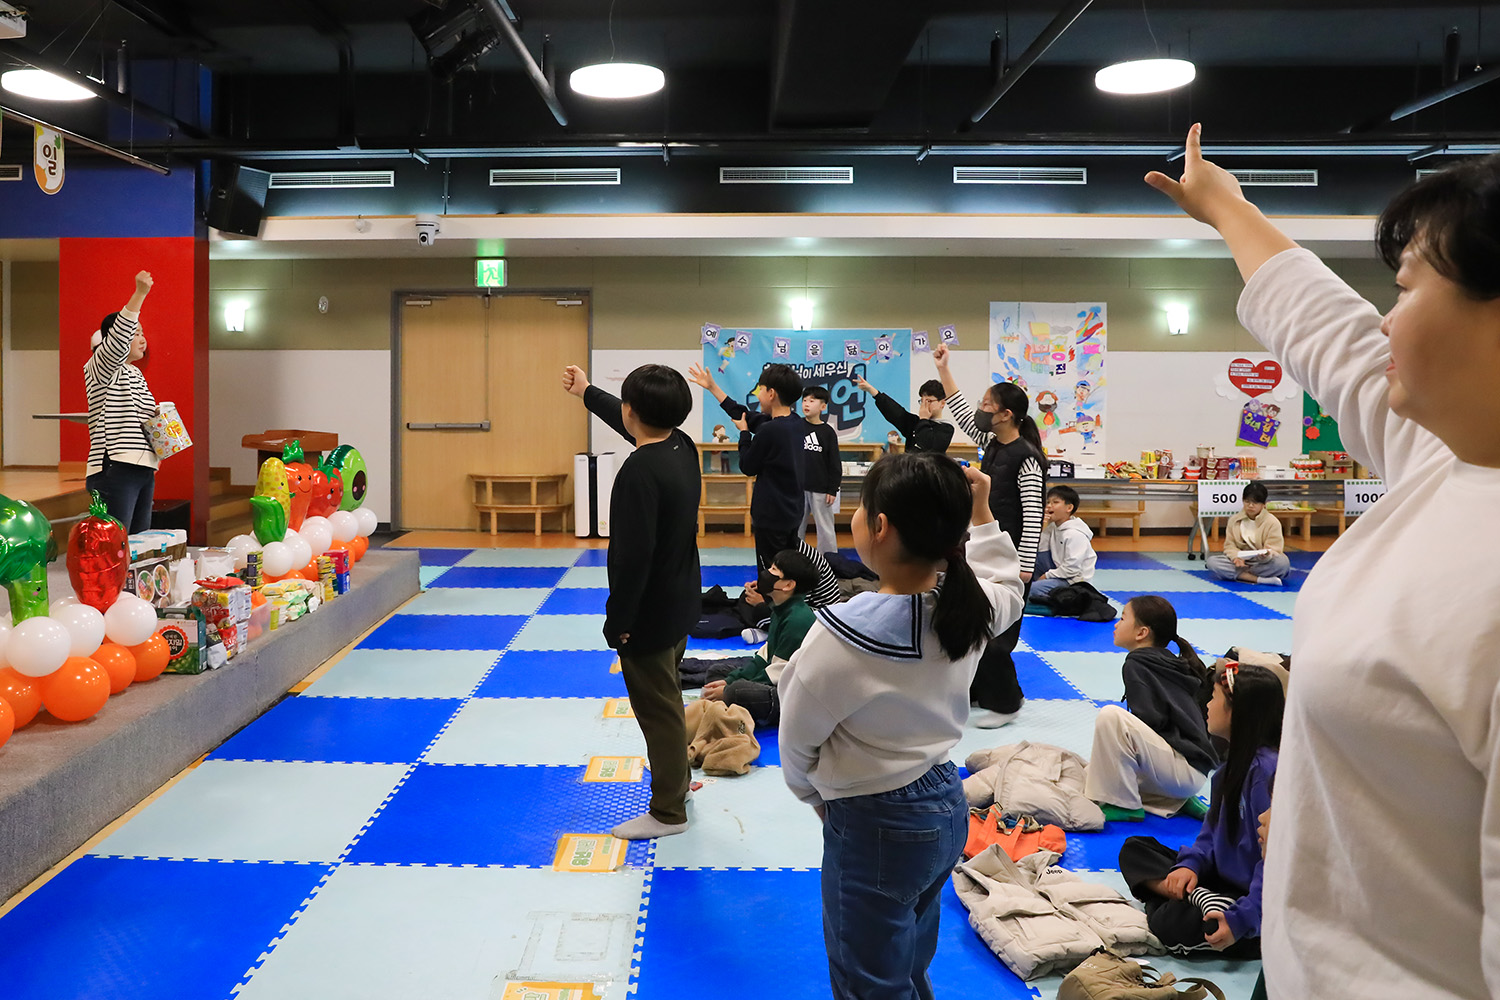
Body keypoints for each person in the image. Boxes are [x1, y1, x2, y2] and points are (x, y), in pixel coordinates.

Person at [1146, 122, 1500, 997]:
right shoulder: (1450, 457)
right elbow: (1332, 336)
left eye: (1406, 286)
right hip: (1302, 960)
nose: (1385, 316)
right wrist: (1227, 210)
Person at [778, 453, 1025, 1000]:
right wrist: (983, 513)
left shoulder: (841, 636)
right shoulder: (968, 609)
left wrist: (813, 795)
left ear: (881, 526)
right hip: (946, 803)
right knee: (909, 956)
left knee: (868, 979)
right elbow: (1008, 585)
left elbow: (796, 738)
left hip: (873, 820)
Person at [562, 363, 700, 841]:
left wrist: (617, 621)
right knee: (669, 702)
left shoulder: (638, 472)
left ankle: (668, 812)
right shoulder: (682, 446)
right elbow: (635, 426)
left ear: (631, 411)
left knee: (659, 714)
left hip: (649, 617)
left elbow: (631, 559)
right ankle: (678, 785)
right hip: (680, 604)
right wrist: (587, 392)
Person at [1118, 662, 1282, 959]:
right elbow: (1209, 835)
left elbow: (1272, 865)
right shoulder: (1227, 771)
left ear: (1237, 712)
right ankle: (1196, 897)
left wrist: (1243, 917)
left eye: (1214, 697)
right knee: (1135, 849)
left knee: (1171, 926)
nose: (1207, 705)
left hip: (1254, 897)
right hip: (1219, 880)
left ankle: (1197, 903)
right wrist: (1190, 866)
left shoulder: (1267, 775)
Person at [932, 344, 1046, 728]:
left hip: (1011, 556)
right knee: (975, 621)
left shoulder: (1027, 457)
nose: (981, 411)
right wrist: (944, 369)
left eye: (987, 405)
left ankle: (1006, 703)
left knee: (1000, 632)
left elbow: (1033, 513)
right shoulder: (992, 444)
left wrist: (1026, 564)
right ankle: (979, 690)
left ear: (1006, 414)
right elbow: (964, 415)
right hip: (984, 547)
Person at [1086, 596, 1217, 822]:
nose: (1116, 624)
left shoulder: (1136, 663)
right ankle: (1175, 800)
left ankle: (1125, 805)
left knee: (1111, 716)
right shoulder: (1168, 659)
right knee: (1094, 771)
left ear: (1142, 633)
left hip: (1182, 770)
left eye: (1123, 618)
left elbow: (1151, 721)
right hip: (1192, 772)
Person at [688, 362, 806, 570]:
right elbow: (741, 413)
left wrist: (744, 434)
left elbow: (747, 466)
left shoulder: (769, 430)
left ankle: (768, 591)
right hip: (792, 511)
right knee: (786, 567)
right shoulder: (795, 423)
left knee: (770, 569)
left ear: (771, 393)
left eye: (761, 389)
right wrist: (713, 388)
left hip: (771, 514)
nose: (758, 394)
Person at [701, 549, 818, 728]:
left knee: (736, 691)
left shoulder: (798, 619)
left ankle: (732, 710)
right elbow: (763, 658)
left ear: (788, 585)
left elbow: (780, 673)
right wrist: (729, 680)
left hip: (792, 695)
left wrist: (730, 688)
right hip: (775, 678)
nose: (767, 573)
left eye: (774, 570)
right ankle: (732, 710)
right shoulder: (780, 609)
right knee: (717, 672)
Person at [85, 269, 161, 533]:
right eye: (135, 332)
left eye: (142, 333)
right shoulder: (102, 366)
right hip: (115, 466)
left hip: (143, 467)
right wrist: (140, 293)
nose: (142, 338)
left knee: (139, 541)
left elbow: (145, 420)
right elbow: (118, 338)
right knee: (115, 541)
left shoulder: (135, 373)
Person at [1204, 481, 1291, 586]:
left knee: (1283, 563)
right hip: (1240, 561)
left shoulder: (1272, 522)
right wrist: (1236, 558)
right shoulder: (1234, 520)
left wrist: (1265, 556)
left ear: (1264, 504)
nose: (1250, 506)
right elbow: (1229, 546)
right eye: (1247, 501)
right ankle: (1258, 579)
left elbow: (1275, 549)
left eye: (1255, 503)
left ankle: (1241, 575)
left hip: (1261, 562)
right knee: (1212, 562)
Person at [1029, 484, 1097, 603]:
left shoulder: (1075, 534)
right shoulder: (1054, 527)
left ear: (1069, 508)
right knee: (1026, 567)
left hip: (1072, 580)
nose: (1049, 506)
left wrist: (1046, 576)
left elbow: (1072, 569)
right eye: (1048, 502)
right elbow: (1040, 551)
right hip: (1057, 570)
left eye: (1055, 502)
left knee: (1031, 590)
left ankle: (1065, 599)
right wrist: (1043, 526)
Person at [856, 375, 955, 454]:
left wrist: (924, 419)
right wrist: (873, 392)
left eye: (929, 401)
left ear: (942, 403)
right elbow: (896, 413)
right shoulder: (916, 422)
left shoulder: (946, 428)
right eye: (922, 401)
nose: (924, 405)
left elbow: (928, 445)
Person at [799, 386, 842, 554]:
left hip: (821, 489)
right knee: (795, 526)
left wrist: (832, 489)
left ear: (823, 407)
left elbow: (834, 463)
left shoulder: (827, 432)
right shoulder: (796, 426)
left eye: (812, 401)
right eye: (804, 400)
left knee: (825, 527)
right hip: (798, 487)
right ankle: (793, 558)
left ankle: (829, 559)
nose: (806, 404)